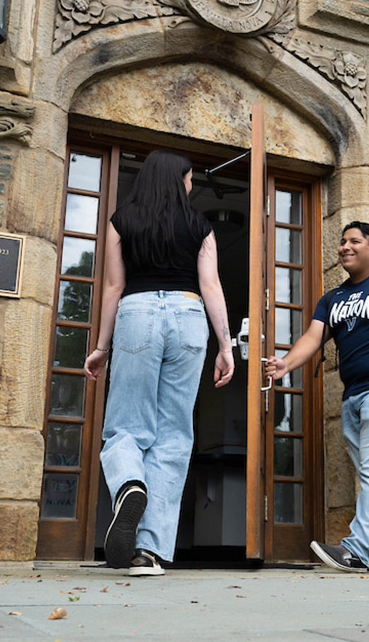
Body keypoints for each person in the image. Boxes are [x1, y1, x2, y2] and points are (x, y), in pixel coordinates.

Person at [83, 150, 234, 576]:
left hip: (137, 313)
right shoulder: (200, 225)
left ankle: (130, 483)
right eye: (188, 179)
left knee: (126, 425)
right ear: (177, 180)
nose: (190, 186)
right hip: (188, 316)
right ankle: (148, 552)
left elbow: (114, 287)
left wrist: (101, 346)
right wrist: (226, 346)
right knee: (173, 434)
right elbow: (211, 286)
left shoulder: (120, 222)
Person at [265, 221, 369, 574]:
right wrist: (285, 365)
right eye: (342, 242)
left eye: (355, 241)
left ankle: (356, 550)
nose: (345, 247)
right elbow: (312, 338)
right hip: (354, 395)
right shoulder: (333, 297)